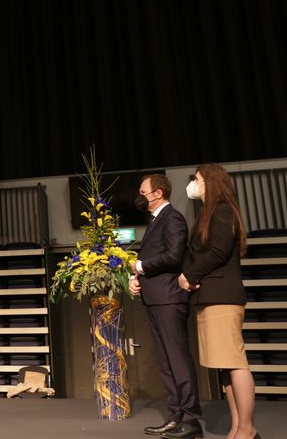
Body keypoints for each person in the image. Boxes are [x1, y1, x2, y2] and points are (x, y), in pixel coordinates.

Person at [177, 164, 260, 439]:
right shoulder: (208, 213)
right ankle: (237, 426)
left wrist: (189, 275)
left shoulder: (223, 211)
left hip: (223, 297)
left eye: (197, 180)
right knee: (225, 366)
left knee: (235, 362)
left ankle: (247, 429)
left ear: (210, 183)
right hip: (209, 297)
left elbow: (217, 251)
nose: (194, 184)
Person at [129, 174, 202, 439]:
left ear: (158, 193)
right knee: (165, 362)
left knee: (178, 360)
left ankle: (192, 420)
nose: (139, 196)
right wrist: (136, 279)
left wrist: (140, 266)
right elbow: (152, 257)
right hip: (155, 298)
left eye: (142, 191)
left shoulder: (173, 218)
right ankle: (176, 415)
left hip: (170, 299)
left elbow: (173, 255)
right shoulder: (155, 221)